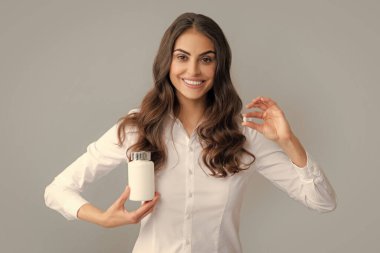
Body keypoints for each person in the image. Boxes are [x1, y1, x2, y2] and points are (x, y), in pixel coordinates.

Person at [44, 12, 337, 253]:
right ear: (167, 62)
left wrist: (288, 141)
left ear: (219, 65)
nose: (193, 70)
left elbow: (322, 202)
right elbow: (57, 190)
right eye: (182, 57)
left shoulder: (245, 135)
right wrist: (103, 219)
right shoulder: (138, 127)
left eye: (206, 59)